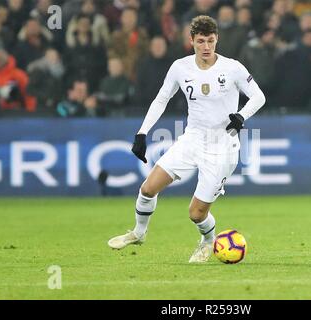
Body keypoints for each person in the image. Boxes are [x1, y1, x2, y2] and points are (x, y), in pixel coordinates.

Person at [108, 15, 266, 263]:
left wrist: (241, 116)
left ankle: (207, 241)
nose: (206, 47)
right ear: (191, 40)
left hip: (221, 147)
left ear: (217, 40)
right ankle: (138, 233)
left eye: (210, 41)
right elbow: (161, 99)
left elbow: (258, 97)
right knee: (148, 188)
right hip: (191, 139)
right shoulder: (180, 68)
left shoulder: (232, 68)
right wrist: (142, 132)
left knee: (196, 213)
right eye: (201, 41)